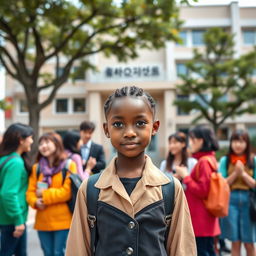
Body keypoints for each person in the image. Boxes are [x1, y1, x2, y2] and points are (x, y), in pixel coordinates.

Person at [66, 86, 196, 256]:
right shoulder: (91, 189)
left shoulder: (170, 188)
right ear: (106, 129)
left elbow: (183, 250)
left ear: (155, 127)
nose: (129, 133)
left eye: (140, 123)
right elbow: (77, 250)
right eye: (118, 124)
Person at [26, 132, 77, 256]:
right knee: (48, 253)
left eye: (47, 142)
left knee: (59, 252)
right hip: (43, 221)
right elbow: (30, 192)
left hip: (63, 220)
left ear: (57, 143)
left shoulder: (69, 165)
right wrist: (35, 202)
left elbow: (67, 192)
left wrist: (44, 194)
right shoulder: (37, 168)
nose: (43, 146)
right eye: (41, 144)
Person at [176, 125, 220, 256]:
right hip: (205, 217)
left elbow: (202, 190)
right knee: (208, 249)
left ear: (200, 140)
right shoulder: (209, 159)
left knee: (202, 251)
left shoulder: (203, 162)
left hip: (201, 219)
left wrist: (186, 176)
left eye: (192, 139)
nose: (190, 143)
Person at [219, 130, 256, 256]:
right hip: (231, 201)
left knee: (249, 242)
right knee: (235, 242)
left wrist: (243, 174)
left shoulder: (253, 160)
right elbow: (222, 183)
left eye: (241, 141)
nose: (238, 145)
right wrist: (235, 173)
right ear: (231, 143)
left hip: (249, 202)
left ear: (246, 143)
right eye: (235, 141)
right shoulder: (225, 160)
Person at [0, 123, 34, 256]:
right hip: (13, 220)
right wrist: (18, 220)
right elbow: (8, 194)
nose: (31, 140)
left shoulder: (4, 158)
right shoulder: (16, 163)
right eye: (30, 137)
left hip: (7, 218)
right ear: (21, 139)